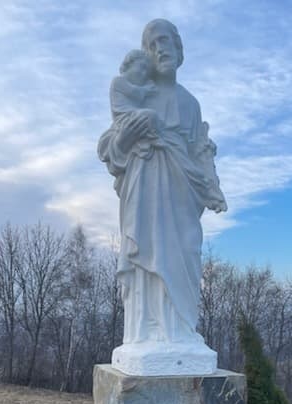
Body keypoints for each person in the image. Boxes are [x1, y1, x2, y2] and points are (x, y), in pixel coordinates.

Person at [98, 19, 227, 368]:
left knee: (185, 248)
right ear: (146, 54)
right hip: (144, 190)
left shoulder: (190, 103)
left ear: (180, 49)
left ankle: (182, 333)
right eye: (152, 44)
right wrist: (127, 136)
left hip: (182, 194)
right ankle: (146, 334)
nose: (160, 49)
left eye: (166, 41)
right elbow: (109, 147)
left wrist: (212, 188)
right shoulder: (136, 91)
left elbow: (200, 150)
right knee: (147, 257)